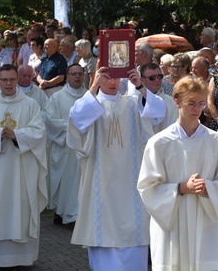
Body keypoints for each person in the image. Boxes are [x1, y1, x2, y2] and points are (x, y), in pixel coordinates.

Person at [66, 66, 166, 271]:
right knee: (103, 241)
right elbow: (76, 121)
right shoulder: (92, 105)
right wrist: (92, 88)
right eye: (107, 78)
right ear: (98, 79)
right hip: (100, 185)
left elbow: (159, 113)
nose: (113, 83)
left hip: (131, 188)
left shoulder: (133, 103)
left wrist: (140, 86)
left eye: (116, 78)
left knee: (134, 240)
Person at [138, 76, 218, 270]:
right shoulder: (159, 143)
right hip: (172, 221)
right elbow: (147, 187)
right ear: (177, 102)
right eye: (191, 103)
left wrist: (208, 187)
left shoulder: (216, 141)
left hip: (205, 220)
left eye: (200, 103)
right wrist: (181, 188)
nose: (197, 109)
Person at [0, 64, 47, 269]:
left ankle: (23, 258)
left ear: (18, 80)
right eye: (4, 80)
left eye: (11, 80)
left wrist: (17, 136)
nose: (8, 84)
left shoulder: (31, 105)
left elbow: (39, 132)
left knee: (21, 208)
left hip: (22, 170)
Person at [44, 64, 87, 225]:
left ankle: (74, 215)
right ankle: (61, 212)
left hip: (84, 147)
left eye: (80, 74)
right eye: (73, 74)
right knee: (64, 181)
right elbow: (50, 120)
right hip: (64, 147)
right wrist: (71, 127)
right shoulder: (57, 97)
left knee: (79, 182)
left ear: (84, 76)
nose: (77, 77)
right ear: (67, 76)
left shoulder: (91, 97)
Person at [138, 62, 179, 139]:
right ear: (142, 80)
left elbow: (175, 126)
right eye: (152, 77)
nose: (157, 80)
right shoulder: (134, 101)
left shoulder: (171, 102)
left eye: (159, 76)